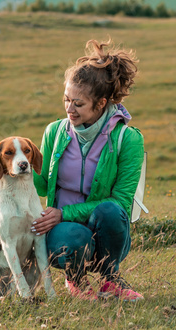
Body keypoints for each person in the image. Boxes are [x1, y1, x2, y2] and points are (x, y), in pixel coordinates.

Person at [32, 39, 144, 301]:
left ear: (101, 103)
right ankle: (77, 280)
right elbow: (39, 185)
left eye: (78, 104)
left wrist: (63, 213)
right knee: (74, 237)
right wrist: (18, 162)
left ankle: (111, 280)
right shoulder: (54, 131)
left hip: (106, 228)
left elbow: (122, 203)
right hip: (66, 230)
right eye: (66, 100)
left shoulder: (128, 139)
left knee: (111, 211)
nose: (69, 109)